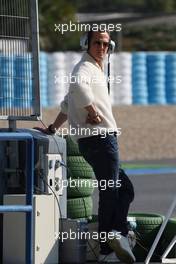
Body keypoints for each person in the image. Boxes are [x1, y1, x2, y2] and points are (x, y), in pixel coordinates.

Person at [36, 29, 135, 263]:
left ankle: (115, 237)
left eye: (105, 44)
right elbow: (79, 90)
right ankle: (107, 248)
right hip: (101, 139)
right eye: (97, 43)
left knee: (124, 189)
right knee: (111, 190)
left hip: (94, 142)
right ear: (86, 44)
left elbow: (67, 103)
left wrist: (53, 128)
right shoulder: (85, 69)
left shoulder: (93, 69)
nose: (102, 48)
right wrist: (93, 112)